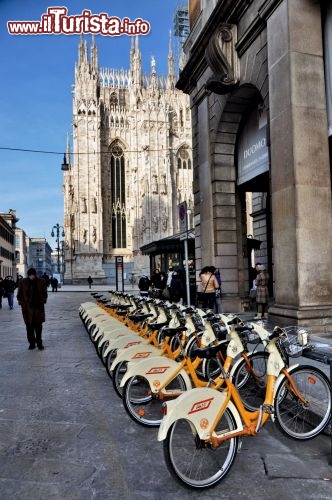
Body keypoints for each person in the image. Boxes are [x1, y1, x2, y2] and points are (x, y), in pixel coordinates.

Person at [17, 267, 48, 350]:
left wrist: (43, 300)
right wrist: (22, 303)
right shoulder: (22, 282)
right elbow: (19, 294)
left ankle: (39, 343)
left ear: (35, 275)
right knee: (29, 327)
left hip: (38, 308)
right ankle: (31, 343)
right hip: (27, 309)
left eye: (33, 275)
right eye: (30, 275)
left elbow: (45, 292)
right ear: (28, 275)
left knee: (38, 327)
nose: (32, 277)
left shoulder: (41, 281)